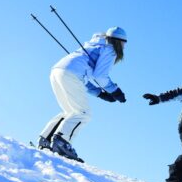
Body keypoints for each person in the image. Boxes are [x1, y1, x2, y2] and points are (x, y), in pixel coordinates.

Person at [37, 27, 128, 161]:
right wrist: (115, 91)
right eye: (124, 44)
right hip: (70, 74)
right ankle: (61, 142)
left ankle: (46, 139)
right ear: (120, 42)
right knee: (83, 113)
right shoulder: (110, 49)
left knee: (70, 111)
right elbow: (100, 76)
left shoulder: (93, 45)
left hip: (57, 71)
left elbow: (82, 77)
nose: (124, 47)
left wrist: (100, 94)